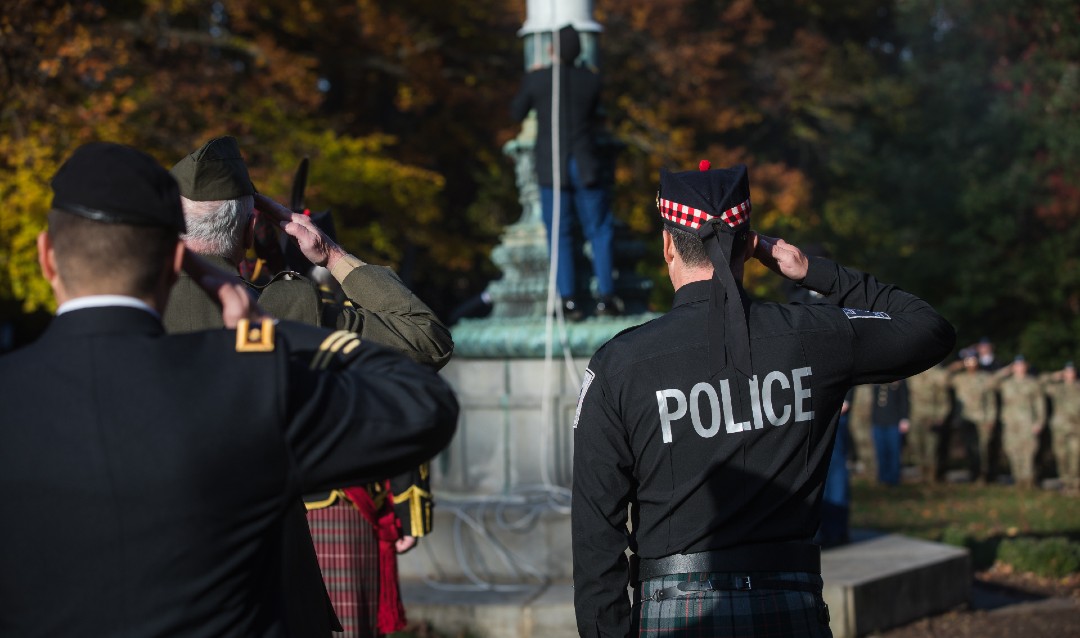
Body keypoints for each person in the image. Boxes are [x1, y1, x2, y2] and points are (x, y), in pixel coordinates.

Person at [0, 142, 459, 637]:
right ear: (243, 231)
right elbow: (423, 350)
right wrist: (311, 282)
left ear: (47, 256)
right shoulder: (256, 356)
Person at [571, 162, 955, 636]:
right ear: (751, 247)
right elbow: (928, 328)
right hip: (789, 605)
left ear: (668, 244)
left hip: (677, 612)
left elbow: (596, 532)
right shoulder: (812, 335)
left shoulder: (619, 364)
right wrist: (813, 272)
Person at [166, 136, 453, 637]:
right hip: (270, 572)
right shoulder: (289, 306)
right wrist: (329, 252)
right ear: (254, 224)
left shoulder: (131, 307)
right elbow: (425, 339)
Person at [510, 24, 619, 319]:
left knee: (560, 234)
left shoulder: (539, 79)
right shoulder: (591, 81)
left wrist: (532, 77)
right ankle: (606, 296)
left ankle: (568, 300)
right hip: (584, 164)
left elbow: (516, 112)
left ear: (551, 50)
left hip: (553, 165)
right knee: (599, 230)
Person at [992, 356, 1046, 488]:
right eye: (1016, 365)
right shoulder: (1006, 383)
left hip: (1027, 422)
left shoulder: (1033, 383)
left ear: (1026, 367)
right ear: (1013, 367)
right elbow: (989, 384)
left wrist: (1039, 422)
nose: (1019, 367)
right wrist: (1004, 371)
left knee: (1028, 452)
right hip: (1010, 423)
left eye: (1022, 365)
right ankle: (1018, 480)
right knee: (1012, 450)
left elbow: (1040, 404)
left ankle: (1028, 481)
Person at [947, 350, 996, 481]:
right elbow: (941, 379)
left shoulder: (985, 377)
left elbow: (991, 400)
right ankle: (973, 473)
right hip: (965, 418)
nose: (970, 363)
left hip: (982, 418)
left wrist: (991, 418)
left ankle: (984, 475)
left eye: (973, 360)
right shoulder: (958, 378)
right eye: (967, 361)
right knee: (969, 448)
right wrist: (955, 366)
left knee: (983, 448)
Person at [906, 364, 952, 482]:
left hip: (931, 417)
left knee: (931, 448)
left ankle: (931, 477)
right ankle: (921, 475)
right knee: (916, 446)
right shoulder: (911, 375)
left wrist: (941, 417)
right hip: (915, 417)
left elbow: (944, 399)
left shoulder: (936, 375)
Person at [1042, 362, 1080, 490]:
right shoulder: (1057, 388)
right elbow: (1040, 383)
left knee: (1076, 454)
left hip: (1076, 427)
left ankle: (1075, 482)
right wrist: (1054, 375)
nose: (1070, 374)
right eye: (1067, 371)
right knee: (1061, 455)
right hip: (1060, 427)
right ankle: (1065, 481)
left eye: (1072, 371)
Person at [869, 380, 910, 485]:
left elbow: (904, 398)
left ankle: (894, 479)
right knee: (880, 452)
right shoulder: (876, 377)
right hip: (878, 421)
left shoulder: (901, 379)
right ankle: (882, 478)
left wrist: (904, 418)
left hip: (894, 421)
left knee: (894, 452)